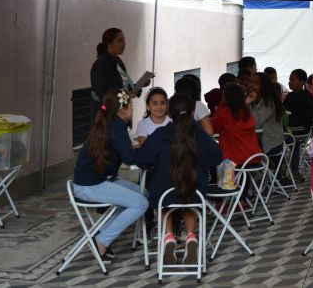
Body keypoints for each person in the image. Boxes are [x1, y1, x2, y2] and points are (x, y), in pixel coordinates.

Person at [135, 93, 222, 265]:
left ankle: (168, 236)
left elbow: (140, 159)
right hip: (195, 192)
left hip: (164, 195)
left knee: (164, 198)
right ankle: (190, 236)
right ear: (192, 113)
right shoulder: (200, 135)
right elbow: (217, 158)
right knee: (189, 197)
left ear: (169, 112)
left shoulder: (160, 135)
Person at [72, 89, 148, 262]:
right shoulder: (116, 127)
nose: (132, 109)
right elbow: (130, 159)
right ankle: (101, 241)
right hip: (89, 185)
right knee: (140, 203)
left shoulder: (111, 123)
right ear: (122, 109)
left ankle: (100, 234)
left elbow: (126, 153)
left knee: (143, 193)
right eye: (131, 106)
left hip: (95, 181)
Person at [90, 28, 147, 121]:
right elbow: (102, 95)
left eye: (124, 40)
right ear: (109, 43)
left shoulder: (118, 62)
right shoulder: (100, 65)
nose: (124, 43)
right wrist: (124, 97)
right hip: (106, 115)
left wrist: (139, 85)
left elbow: (123, 86)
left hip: (119, 112)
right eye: (120, 40)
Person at [211, 83, 261, 165]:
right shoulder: (247, 113)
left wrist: (221, 104)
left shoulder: (224, 114)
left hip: (232, 161)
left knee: (214, 161)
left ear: (225, 98)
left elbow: (213, 128)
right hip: (254, 157)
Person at [283, 69, 313, 182]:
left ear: (302, 82)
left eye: (293, 80)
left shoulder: (307, 96)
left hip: (301, 127)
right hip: (290, 125)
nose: (290, 82)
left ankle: (293, 170)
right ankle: (281, 169)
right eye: (289, 80)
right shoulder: (289, 96)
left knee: (292, 140)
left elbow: (307, 117)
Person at [250, 72, 286, 157]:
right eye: (250, 81)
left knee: (241, 152)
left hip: (271, 143)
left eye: (256, 83)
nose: (251, 85)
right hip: (256, 139)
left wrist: (248, 105)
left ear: (264, 87)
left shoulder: (269, 102)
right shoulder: (251, 98)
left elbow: (255, 124)